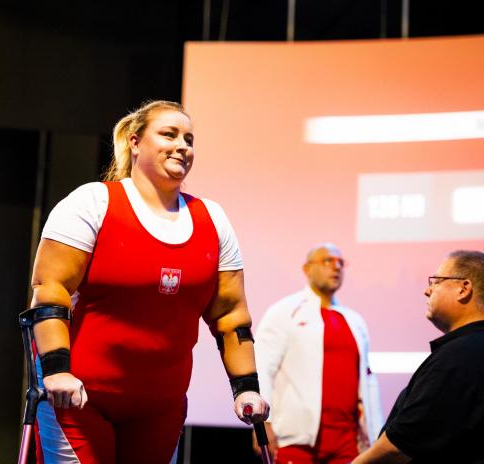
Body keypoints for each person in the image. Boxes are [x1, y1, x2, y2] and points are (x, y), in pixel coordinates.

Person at [27, 100, 269, 463]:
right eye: (169, 134)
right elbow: (50, 291)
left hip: (160, 410)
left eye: (189, 138)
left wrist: (246, 389)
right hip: (79, 400)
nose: (182, 146)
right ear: (135, 142)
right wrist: (57, 372)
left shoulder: (212, 219)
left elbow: (231, 315)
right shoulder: (92, 202)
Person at [354, 250, 484, 463]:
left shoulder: (457, 357)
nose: (427, 291)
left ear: (464, 289)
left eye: (436, 281)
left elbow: (399, 446)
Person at [253, 243, 382, 464]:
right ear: (307, 269)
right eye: (327, 261)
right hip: (297, 440)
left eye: (340, 263)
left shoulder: (355, 321)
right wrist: (263, 422)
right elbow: (262, 368)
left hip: (346, 442)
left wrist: (375, 432)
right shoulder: (284, 311)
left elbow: (368, 382)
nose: (336, 267)